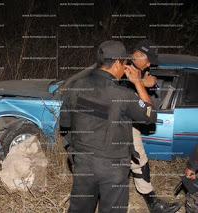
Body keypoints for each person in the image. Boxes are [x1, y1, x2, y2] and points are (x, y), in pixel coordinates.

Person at [60, 40, 157, 212]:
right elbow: (150, 116)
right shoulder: (123, 95)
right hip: (113, 168)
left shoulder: (75, 86)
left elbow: (65, 123)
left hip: (83, 162)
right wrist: (138, 83)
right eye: (125, 63)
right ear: (118, 63)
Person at [121, 40, 181, 212]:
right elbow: (143, 104)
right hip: (121, 124)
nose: (149, 65)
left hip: (129, 122)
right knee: (139, 161)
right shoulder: (124, 69)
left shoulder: (137, 68)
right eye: (147, 61)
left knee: (138, 161)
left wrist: (148, 83)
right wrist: (142, 83)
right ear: (138, 54)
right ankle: (152, 203)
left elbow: (151, 83)